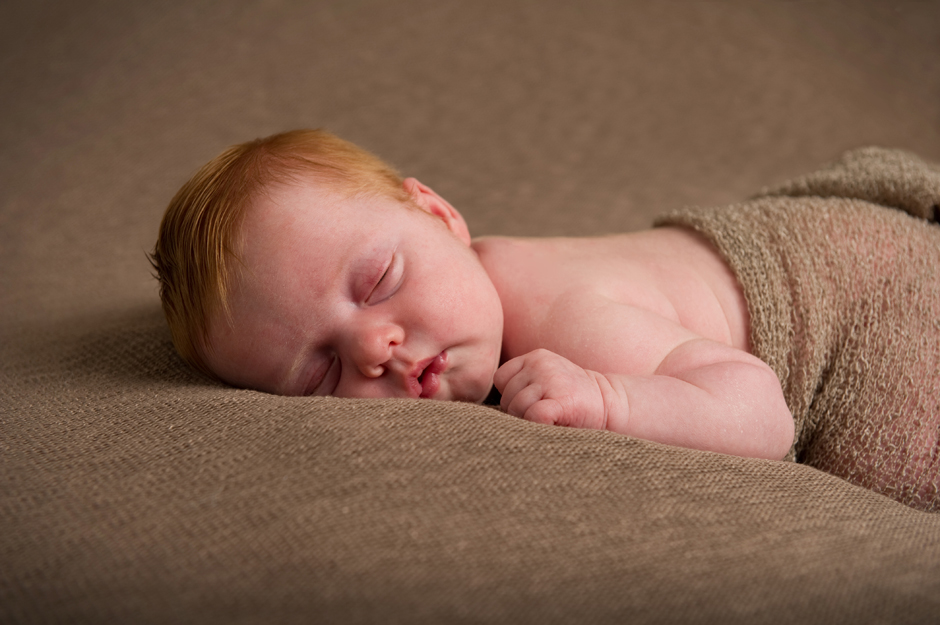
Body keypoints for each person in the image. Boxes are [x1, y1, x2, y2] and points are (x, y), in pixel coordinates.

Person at [151, 129, 940, 511]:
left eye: (378, 280)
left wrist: (608, 398)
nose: (372, 347)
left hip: (873, 289)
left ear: (440, 215)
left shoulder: (560, 311)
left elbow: (759, 411)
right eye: (319, 371)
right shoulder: (458, 326)